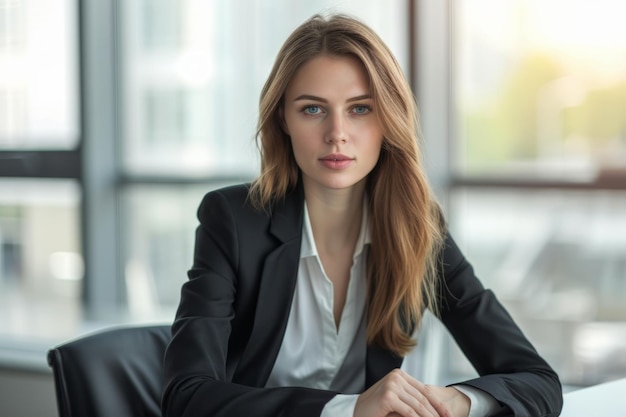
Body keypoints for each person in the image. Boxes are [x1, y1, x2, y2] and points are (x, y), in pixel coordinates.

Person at [162, 13, 563, 417]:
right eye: (313, 109)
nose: (337, 133)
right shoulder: (232, 221)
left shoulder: (418, 228)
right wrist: (347, 409)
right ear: (283, 118)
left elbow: (535, 380)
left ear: (388, 119)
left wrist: (455, 401)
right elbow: (186, 398)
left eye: (360, 109)